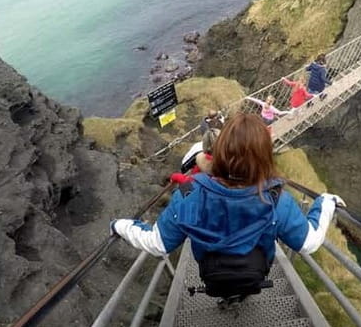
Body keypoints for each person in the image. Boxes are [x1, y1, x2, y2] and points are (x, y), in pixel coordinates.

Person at [112, 113, 345, 296]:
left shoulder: (189, 193)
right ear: (265, 155)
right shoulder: (275, 199)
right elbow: (308, 243)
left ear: (220, 151)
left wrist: (120, 226)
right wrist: (325, 202)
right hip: (257, 271)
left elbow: (157, 243)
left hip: (211, 272)